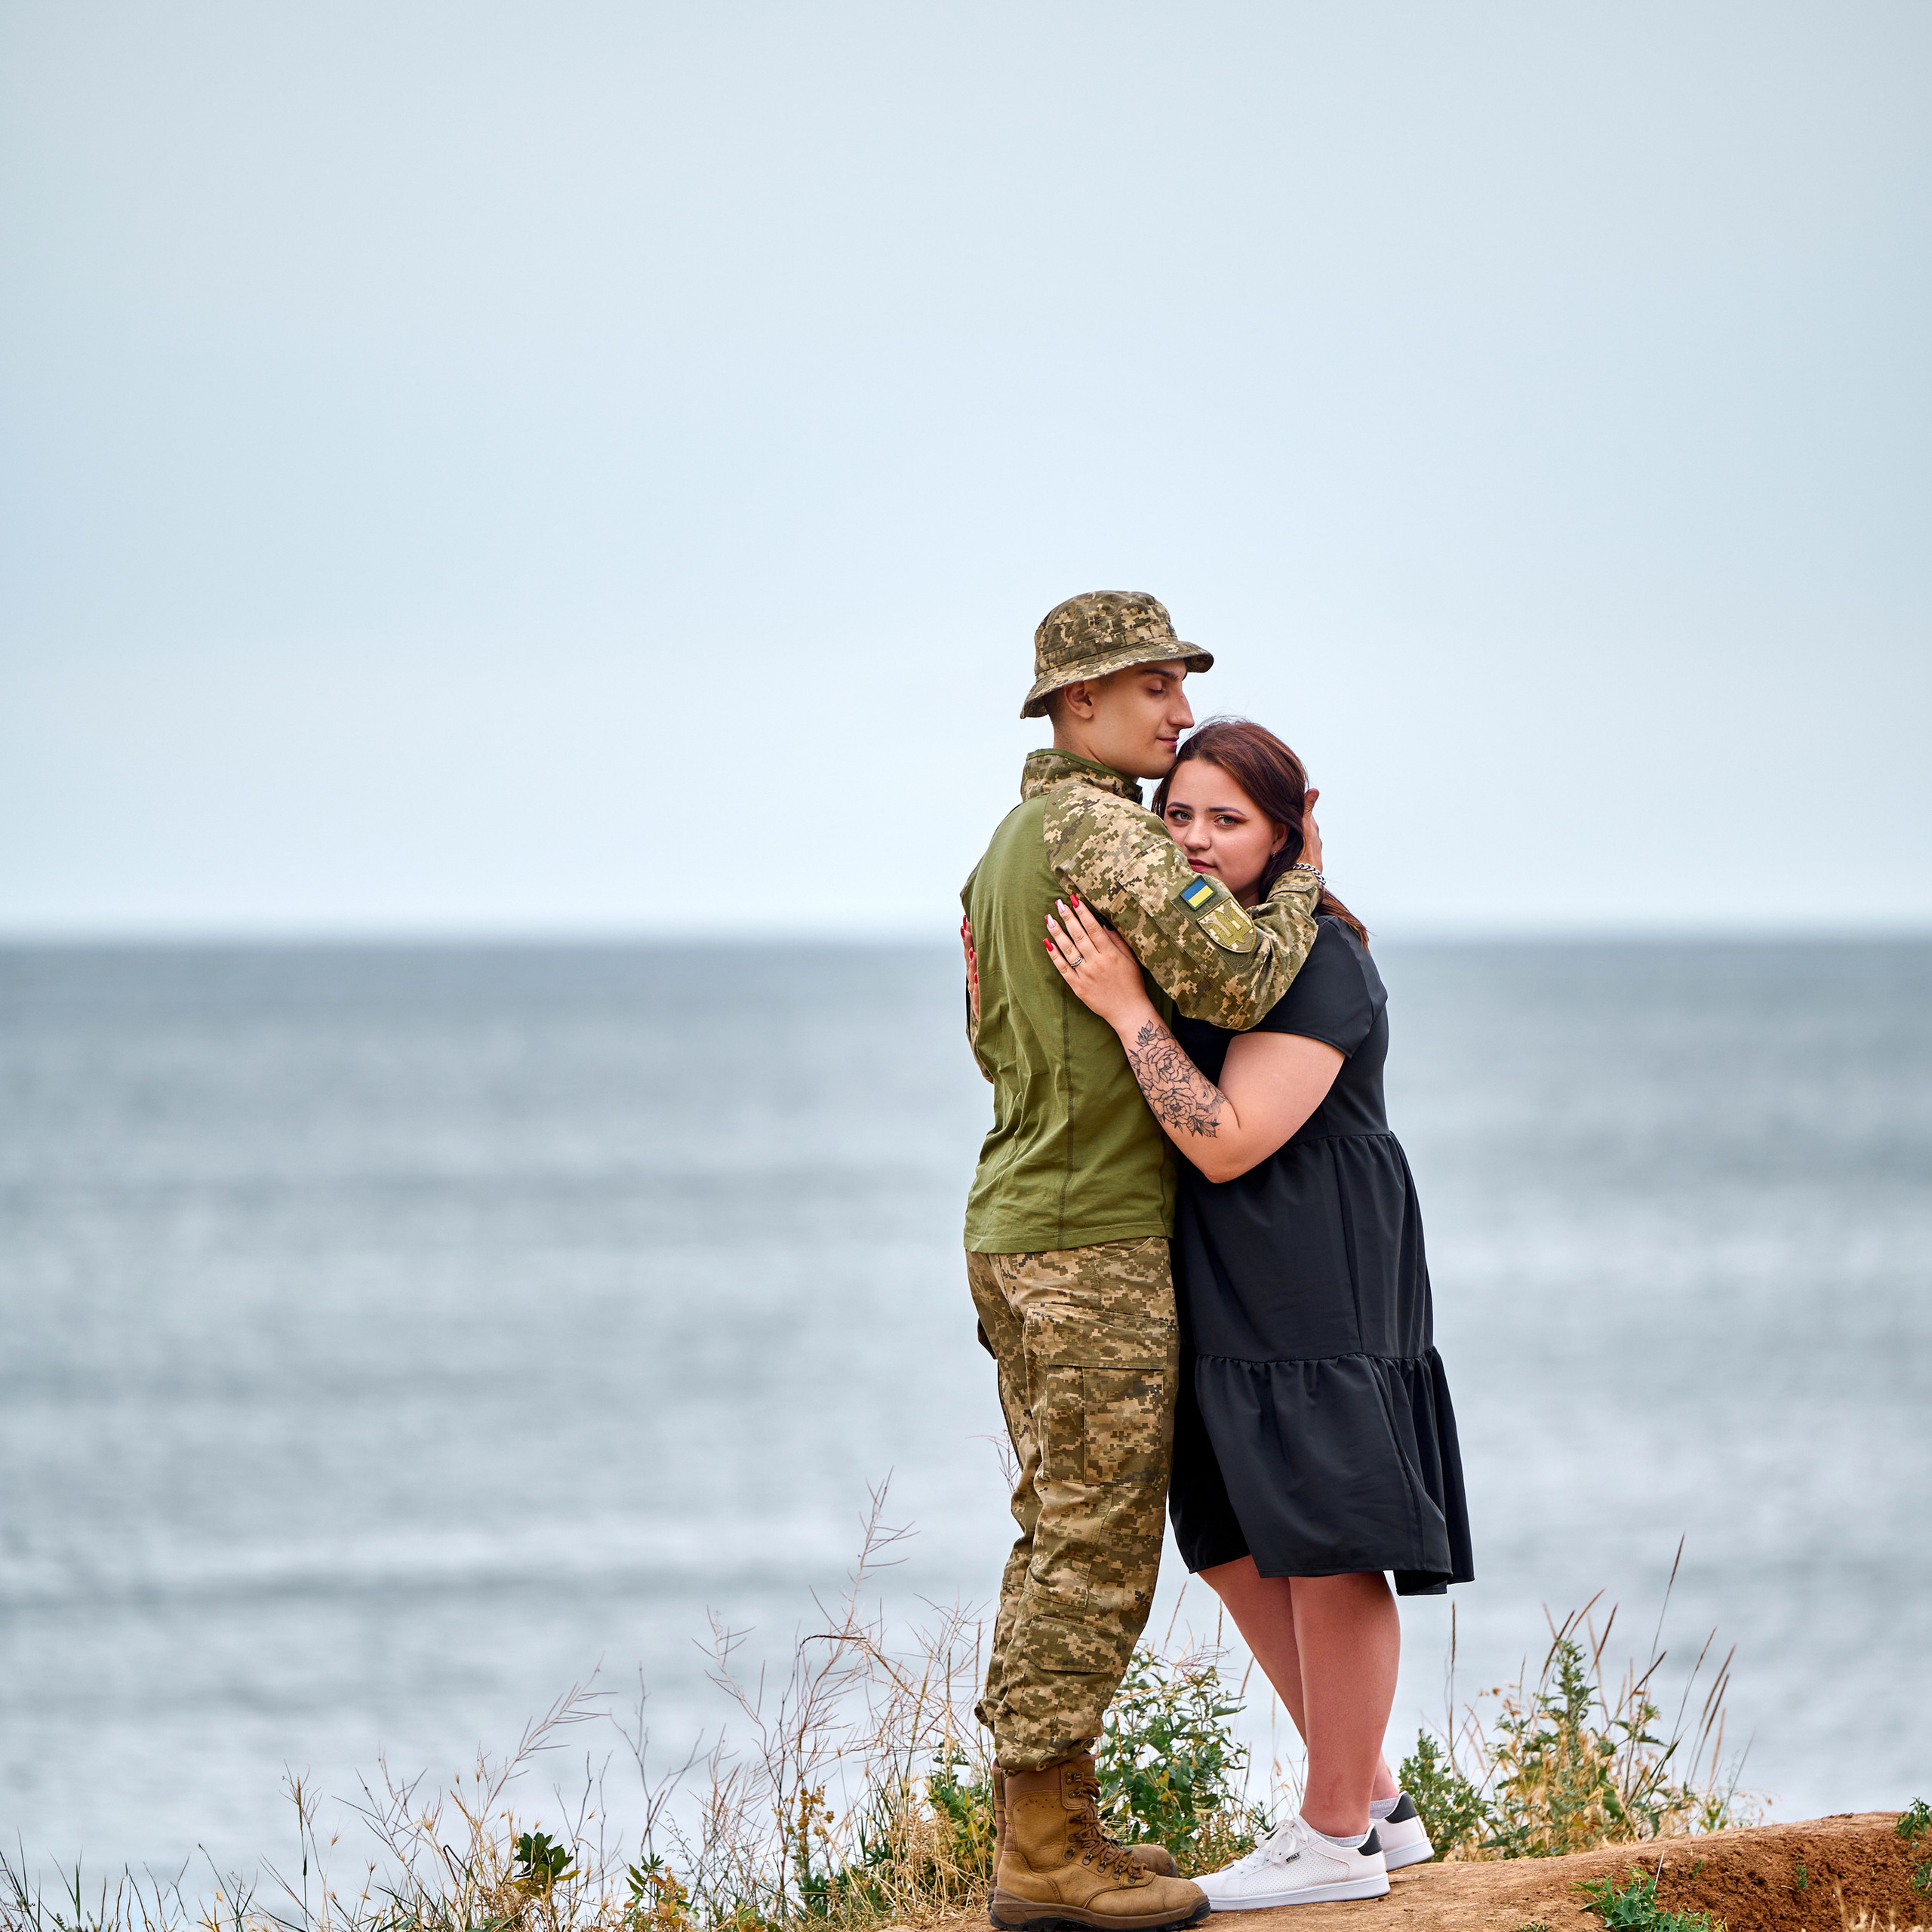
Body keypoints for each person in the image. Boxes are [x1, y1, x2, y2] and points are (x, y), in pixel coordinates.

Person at [1044, 718, 1473, 1910]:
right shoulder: (1198, 944)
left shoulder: (1320, 955)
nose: (1194, 839)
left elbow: (1227, 1139)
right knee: (1231, 1540)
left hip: (1314, 1260)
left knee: (1331, 1542)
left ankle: (1331, 1838)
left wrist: (1128, 1010)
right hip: (1219, 1267)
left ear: (1289, 829)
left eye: (1226, 819)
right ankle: (1375, 1804)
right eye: (1177, 814)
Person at [959, 595, 1328, 1932]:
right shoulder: (1101, 828)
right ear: (1081, 702)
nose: (1179, 711)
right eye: (1154, 686)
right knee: (1097, 1547)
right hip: (1091, 1236)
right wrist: (1300, 879)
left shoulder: (1006, 848)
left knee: (1059, 1529)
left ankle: (1055, 1829)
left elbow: (987, 1031)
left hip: (1019, 1222)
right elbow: (1241, 979)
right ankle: (1045, 1859)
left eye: (1179, 685)